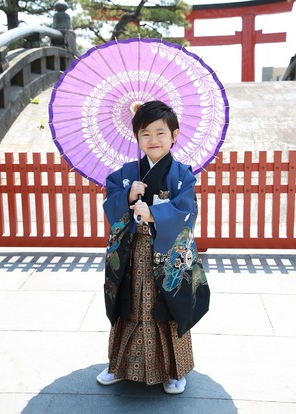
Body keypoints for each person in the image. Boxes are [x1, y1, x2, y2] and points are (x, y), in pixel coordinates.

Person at [97, 100, 210, 394]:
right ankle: (119, 365)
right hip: (133, 251)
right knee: (130, 303)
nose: (153, 140)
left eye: (161, 133)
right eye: (145, 133)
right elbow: (110, 203)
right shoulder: (126, 172)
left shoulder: (182, 174)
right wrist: (126, 194)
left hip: (167, 254)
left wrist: (154, 214)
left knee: (167, 306)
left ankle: (174, 370)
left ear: (174, 135)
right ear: (137, 138)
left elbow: (187, 210)